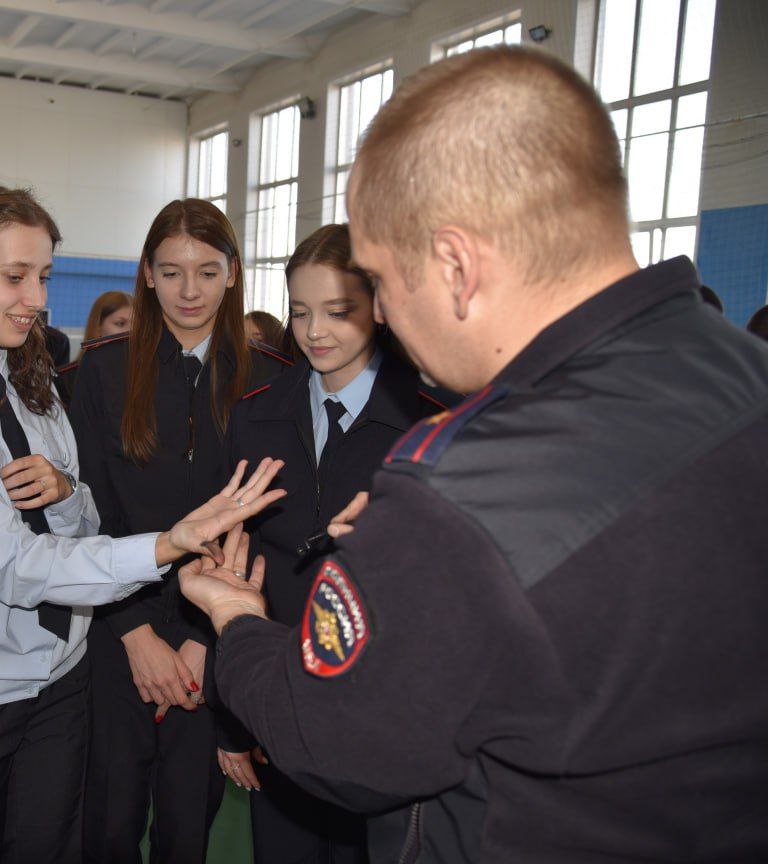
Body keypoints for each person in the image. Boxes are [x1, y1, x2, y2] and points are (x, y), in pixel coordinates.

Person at [179, 46, 768, 862]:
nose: (380, 311)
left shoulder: (465, 488)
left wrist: (238, 620)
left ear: (455, 265)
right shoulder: (742, 374)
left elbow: (339, 747)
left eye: (379, 281)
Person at [0, 183, 287, 864]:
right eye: (16, 276)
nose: (36, 297)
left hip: (57, 682)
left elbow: (82, 520)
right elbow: (15, 566)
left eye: (44, 276)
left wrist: (63, 493)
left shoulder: (29, 392)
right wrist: (169, 545)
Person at [218, 224, 449, 864]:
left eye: (338, 312)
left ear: (379, 305)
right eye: (299, 312)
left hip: (384, 714)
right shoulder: (255, 414)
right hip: (279, 694)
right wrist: (235, 717)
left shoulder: (431, 420)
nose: (315, 331)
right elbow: (230, 566)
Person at [70, 198, 292, 863]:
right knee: (107, 823)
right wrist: (136, 635)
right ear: (145, 274)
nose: (189, 291)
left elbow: (262, 518)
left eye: (206, 271)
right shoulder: (101, 372)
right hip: (117, 626)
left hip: (218, 631)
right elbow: (89, 513)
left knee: (186, 824)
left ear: (232, 274)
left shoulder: (270, 382)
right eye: (171, 272)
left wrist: (201, 640)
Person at [55, 290, 133, 405]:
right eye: (120, 324)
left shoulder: (149, 376)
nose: (130, 332)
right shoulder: (66, 380)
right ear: (98, 327)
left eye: (137, 325)